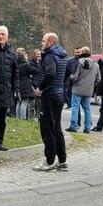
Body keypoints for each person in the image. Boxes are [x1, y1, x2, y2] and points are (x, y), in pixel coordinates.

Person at [32, 33, 68, 171]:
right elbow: (67, 73)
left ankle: (50, 160)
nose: (42, 43)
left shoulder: (50, 56)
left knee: (47, 129)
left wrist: (40, 88)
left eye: (43, 41)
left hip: (49, 95)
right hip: (59, 94)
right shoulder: (63, 55)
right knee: (57, 128)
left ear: (51, 42)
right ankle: (62, 160)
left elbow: (50, 73)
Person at [67, 47, 99, 133]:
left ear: (83, 52)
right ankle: (87, 127)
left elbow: (75, 77)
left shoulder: (79, 63)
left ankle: (74, 126)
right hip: (88, 90)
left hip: (77, 89)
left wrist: (70, 77)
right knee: (87, 109)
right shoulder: (96, 64)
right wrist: (92, 85)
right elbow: (98, 78)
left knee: (75, 107)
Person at [16, 48, 35, 120]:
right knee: (24, 102)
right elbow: (35, 71)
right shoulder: (26, 65)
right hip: (25, 86)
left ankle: (17, 118)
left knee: (18, 102)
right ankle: (23, 118)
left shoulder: (16, 65)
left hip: (18, 85)